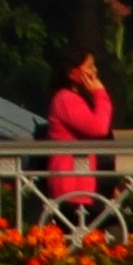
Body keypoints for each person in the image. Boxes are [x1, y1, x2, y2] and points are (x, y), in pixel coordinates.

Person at [44, 49, 116, 210]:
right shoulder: (66, 100)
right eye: (90, 67)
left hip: (81, 183)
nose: (95, 71)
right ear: (72, 73)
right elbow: (98, 128)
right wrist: (100, 93)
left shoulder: (75, 99)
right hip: (72, 186)